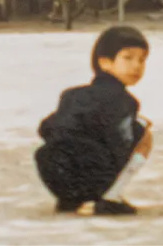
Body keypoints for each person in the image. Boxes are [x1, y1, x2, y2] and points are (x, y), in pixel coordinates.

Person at [35, 26, 153, 216]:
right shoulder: (125, 100)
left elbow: (46, 127)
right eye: (128, 58)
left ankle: (71, 200)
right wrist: (139, 127)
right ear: (104, 62)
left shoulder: (72, 94)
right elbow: (120, 139)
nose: (137, 66)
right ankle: (111, 197)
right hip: (94, 175)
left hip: (54, 172)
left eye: (142, 60)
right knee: (144, 134)